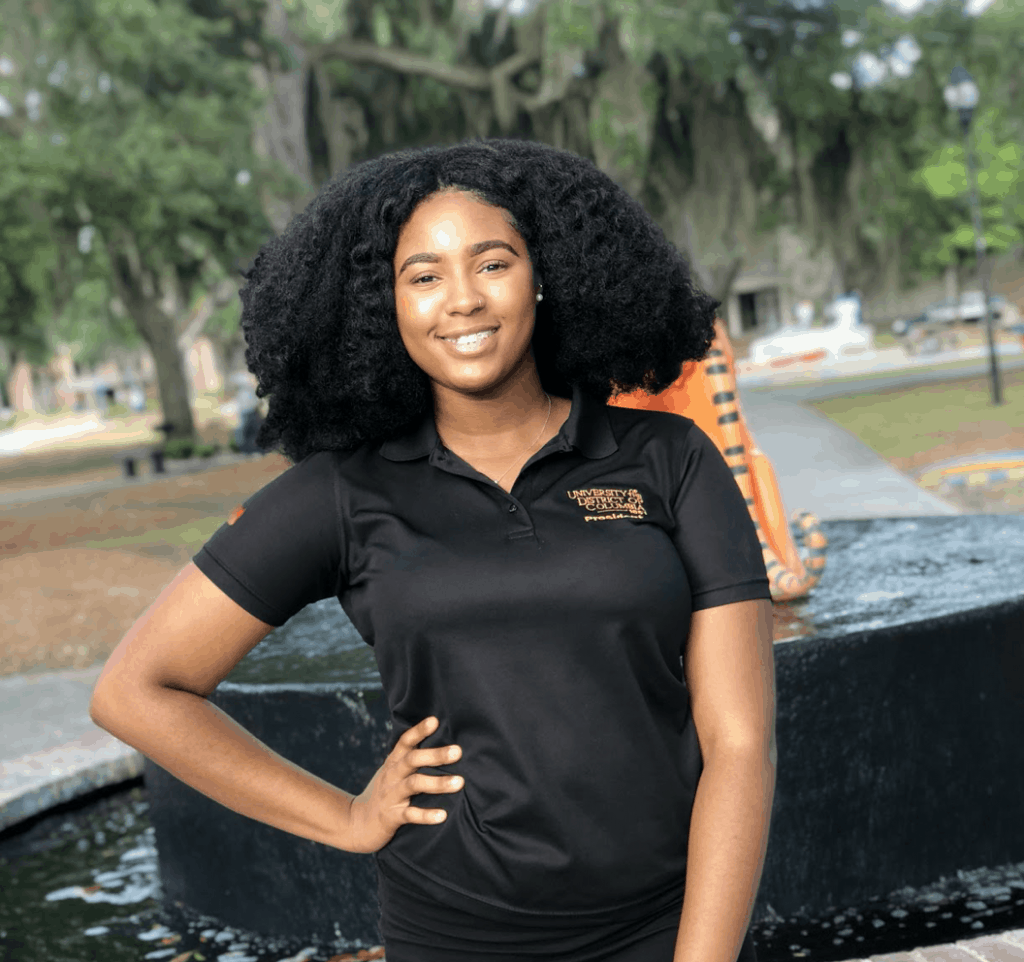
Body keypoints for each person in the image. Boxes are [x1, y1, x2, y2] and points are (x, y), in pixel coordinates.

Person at [89, 138, 776, 962]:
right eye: (423, 276)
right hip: (454, 934)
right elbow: (137, 691)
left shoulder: (670, 459)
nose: (463, 300)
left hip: (664, 924)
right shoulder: (343, 493)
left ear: (544, 274)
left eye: (493, 263)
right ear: (383, 305)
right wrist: (345, 817)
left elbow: (740, 743)